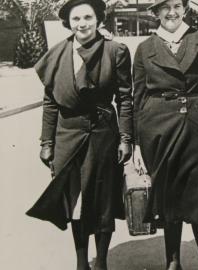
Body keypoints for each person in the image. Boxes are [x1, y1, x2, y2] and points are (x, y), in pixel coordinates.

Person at [26, 0, 133, 269]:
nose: (82, 24)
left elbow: (124, 99)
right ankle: (82, 262)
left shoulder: (115, 50)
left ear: (98, 19)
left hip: (102, 135)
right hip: (67, 136)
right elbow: (50, 102)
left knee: (104, 199)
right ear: (68, 23)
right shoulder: (57, 54)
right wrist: (47, 142)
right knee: (75, 201)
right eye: (76, 19)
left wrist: (125, 138)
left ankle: (102, 263)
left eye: (88, 17)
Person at [133, 0, 198, 269]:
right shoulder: (144, 49)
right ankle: (173, 262)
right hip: (158, 132)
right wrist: (137, 144)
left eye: (177, 5)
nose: (172, 12)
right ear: (155, 13)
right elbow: (138, 98)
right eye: (164, 7)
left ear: (185, 9)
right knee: (167, 197)